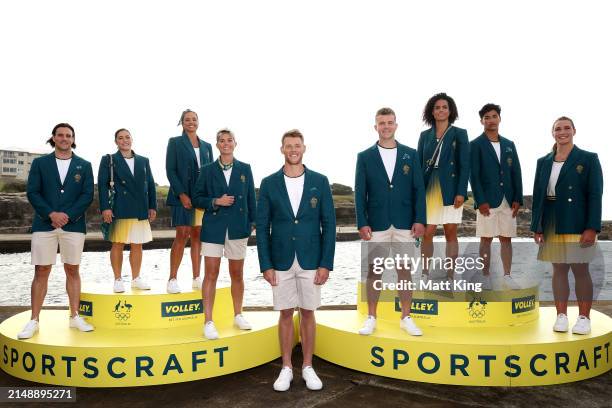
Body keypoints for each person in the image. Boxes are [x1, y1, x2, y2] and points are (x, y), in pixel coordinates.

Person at [257, 130, 335, 392]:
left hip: (311, 259)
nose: (293, 149)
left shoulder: (320, 181)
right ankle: (287, 367)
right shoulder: (269, 184)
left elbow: (329, 224)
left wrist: (326, 263)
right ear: (282, 149)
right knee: (285, 313)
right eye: (288, 146)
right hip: (280, 260)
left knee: (309, 313)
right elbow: (262, 225)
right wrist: (266, 264)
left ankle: (309, 367)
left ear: (304, 148)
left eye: (297, 146)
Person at [18, 123, 94, 339]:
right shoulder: (41, 163)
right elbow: (33, 192)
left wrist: (67, 215)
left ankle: (75, 316)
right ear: (53, 137)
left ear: (73, 139)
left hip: (74, 225)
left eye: (68, 135)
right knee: (41, 270)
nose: (64, 138)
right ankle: (34, 320)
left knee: (72, 269)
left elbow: (87, 195)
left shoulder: (84, 165)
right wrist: (51, 214)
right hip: (45, 224)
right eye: (60, 135)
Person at [354, 107, 426, 336]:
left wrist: (420, 219)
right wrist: (362, 222)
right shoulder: (364, 157)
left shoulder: (410, 154)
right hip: (376, 223)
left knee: (404, 270)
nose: (386, 126)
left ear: (396, 125)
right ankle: (371, 317)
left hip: (405, 223)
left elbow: (419, 190)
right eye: (381, 123)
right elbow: (360, 193)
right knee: (374, 271)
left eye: (390, 122)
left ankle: (406, 317)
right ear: (376, 127)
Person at [531, 116, 602, 335]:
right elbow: (538, 195)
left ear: (574, 130)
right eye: (558, 129)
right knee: (558, 269)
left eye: (566, 128)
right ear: (552, 133)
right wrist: (537, 226)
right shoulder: (543, 161)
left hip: (577, 220)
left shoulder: (588, 158)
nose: (562, 132)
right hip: (552, 220)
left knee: (581, 269)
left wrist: (592, 226)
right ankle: (561, 315)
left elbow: (595, 194)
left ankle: (583, 318)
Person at [192, 129, 256, 339]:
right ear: (217, 145)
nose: (226, 143)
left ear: (235, 144)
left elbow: (250, 200)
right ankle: (208, 321)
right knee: (211, 274)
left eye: (229, 140)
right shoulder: (207, 170)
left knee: (237, 274)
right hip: (213, 228)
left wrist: (252, 223)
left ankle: (238, 314)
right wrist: (215, 202)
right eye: (222, 141)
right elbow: (197, 198)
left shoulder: (245, 168)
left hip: (238, 229)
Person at [469, 104, 523, 290]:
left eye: (494, 116)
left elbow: (516, 172)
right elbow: (473, 176)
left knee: (506, 239)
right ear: (482, 121)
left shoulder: (509, 145)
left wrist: (518, 198)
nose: (491, 120)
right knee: (486, 239)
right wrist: (480, 200)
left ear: (499, 118)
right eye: (487, 117)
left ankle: (507, 275)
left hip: (508, 200)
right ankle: (485, 275)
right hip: (487, 201)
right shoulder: (475, 145)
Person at [417, 92, 470, 282]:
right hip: (430, 185)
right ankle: (425, 272)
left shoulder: (460, 133)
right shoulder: (424, 136)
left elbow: (465, 165)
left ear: (450, 111)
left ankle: (450, 274)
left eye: (444, 107)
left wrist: (461, 192)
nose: (441, 110)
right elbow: (419, 165)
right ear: (432, 111)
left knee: (450, 231)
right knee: (428, 231)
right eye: (437, 107)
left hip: (452, 186)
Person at [98, 128, 157, 293]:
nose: (124, 140)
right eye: (121, 138)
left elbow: (150, 184)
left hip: (140, 207)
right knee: (118, 243)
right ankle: (117, 279)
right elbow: (102, 186)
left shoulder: (143, 160)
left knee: (137, 244)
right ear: (116, 141)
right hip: (120, 206)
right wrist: (105, 208)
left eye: (127, 137)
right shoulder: (109, 160)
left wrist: (152, 205)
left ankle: (136, 278)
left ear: (132, 139)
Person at [165, 109, 214, 293]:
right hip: (182, 197)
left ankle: (196, 278)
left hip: (201, 197)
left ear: (198, 122)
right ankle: (172, 279)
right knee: (182, 234)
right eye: (187, 120)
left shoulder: (208, 146)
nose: (191, 122)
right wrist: (182, 194)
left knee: (198, 236)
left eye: (194, 119)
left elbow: (210, 173)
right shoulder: (175, 143)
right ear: (182, 123)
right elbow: (170, 170)